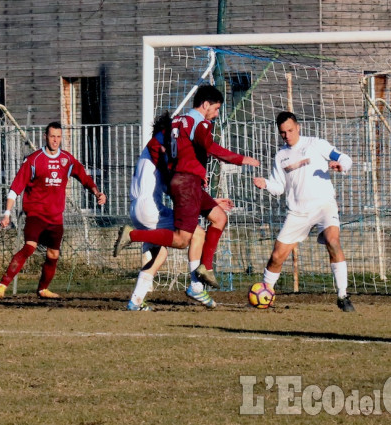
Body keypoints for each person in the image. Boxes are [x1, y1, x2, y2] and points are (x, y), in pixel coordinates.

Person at [114, 85, 259, 307]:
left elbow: (173, 177)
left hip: (151, 200)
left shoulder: (171, 132)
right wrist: (239, 159)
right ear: (206, 104)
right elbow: (200, 152)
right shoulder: (181, 132)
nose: (217, 114)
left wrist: (202, 194)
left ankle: (136, 300)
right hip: (153, 203)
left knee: (165, 252)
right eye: (217, 109)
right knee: (189, 237)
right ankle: (195, 284)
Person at [123, 113, 234, 310]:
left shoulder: (149, 150)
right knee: (197, 233)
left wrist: (205, 200)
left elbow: (172, 189)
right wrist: (204, 200)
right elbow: (178, 190)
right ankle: (196, 286)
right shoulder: (159, 148)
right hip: (149, 208)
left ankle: (135, 300)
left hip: (135, 208)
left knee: (161, 254)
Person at [253, 111, 355, 312]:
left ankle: (343, 295)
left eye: (290, 130)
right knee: (276, 257)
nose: (287, 136)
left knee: (333, 241)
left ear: (298, 127)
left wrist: (340, 165)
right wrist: (265, 184)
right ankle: (266, 294)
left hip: (324, 206)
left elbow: (345, 158)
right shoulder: (281, 156)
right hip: (298, 212)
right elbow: (279, 187)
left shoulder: (316, 144)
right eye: (283, 133)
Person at [0, 122, 107, 299]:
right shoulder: (34, 160)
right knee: (29, 247)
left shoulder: (67, 160)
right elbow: (16, 188)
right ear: (45, 137)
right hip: (36, 214)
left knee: (53, 254)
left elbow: (84, 177)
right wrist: (7, 213)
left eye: (58, 137)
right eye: (52, 136)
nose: (55, 140)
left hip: (55, 217)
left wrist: (96, 192)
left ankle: (42, 289)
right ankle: (2, 285)